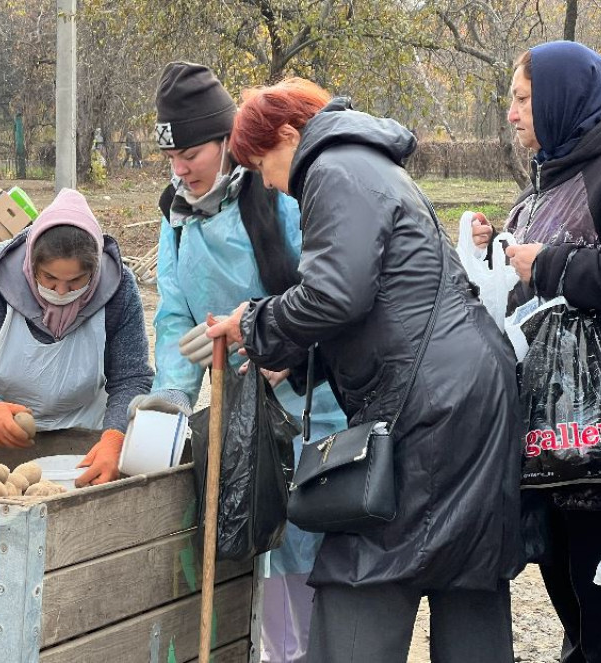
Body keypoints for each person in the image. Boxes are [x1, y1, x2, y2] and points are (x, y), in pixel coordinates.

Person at [207, 77, 523, 663]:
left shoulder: (332, 169)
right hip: (470, 389)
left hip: (431, 403)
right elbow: (384, 302)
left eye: (262, 166)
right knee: (469, 576)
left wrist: (255, 325)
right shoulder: (369, 165)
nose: (270, 183)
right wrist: (296, 362)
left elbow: (335, 295)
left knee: (363, 569)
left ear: (287, 135)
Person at [135, 61, 347, 662]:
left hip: (314, 401)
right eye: (170, 157)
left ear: (226, 141)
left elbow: (326, 286)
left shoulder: (275, 194)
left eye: (193, 154)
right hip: (242, 407)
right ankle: (281, 653)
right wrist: (173, 396)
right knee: (267, 534)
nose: (181, 169)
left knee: (315, 531)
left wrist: (290, 346)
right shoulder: (174, 216)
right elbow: (175, 313)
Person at [472, 41, 601, 663]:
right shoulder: (561, 164)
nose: (513, 113)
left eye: (523, 99)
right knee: (569, 585)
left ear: (560, 99)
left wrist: (548, 263)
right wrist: (502, 236)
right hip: (560, 430)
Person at [0, 188, 153, 486]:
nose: (61, 292)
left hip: (81, 429)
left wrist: (115, 435)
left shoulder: (117, 290)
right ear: (31, 264)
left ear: (94, 272)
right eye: (49, 278)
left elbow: (131, 376)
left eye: (76, 281)